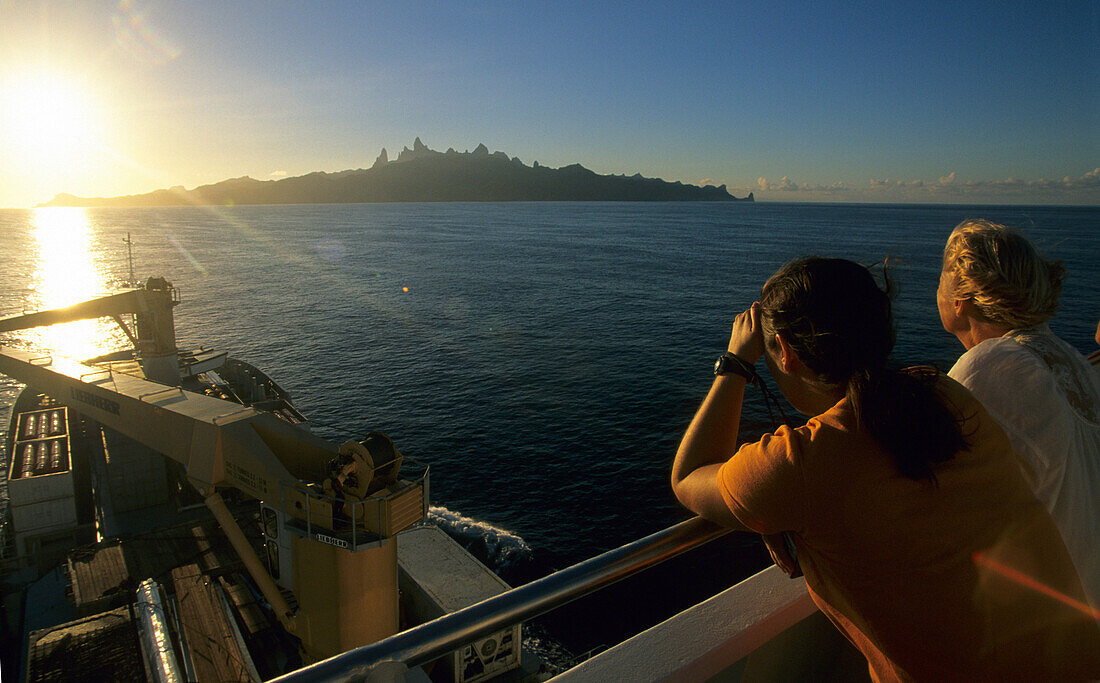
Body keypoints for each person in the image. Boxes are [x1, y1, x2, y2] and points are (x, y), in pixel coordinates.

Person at [672, 257, 1099, 681]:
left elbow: (688, 476)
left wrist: (735, 363)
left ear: (784, 352)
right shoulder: (946, 395)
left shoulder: (799, 462)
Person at [938, 219, 1099, 608]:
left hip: (1049, 626)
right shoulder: (1072, 360)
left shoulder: (988, 367)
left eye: (941, 278)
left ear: (961, 299)